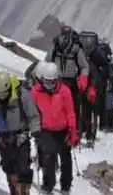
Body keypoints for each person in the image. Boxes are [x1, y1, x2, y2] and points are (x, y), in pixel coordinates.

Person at [0, 70, 42, 195]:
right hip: (2, 140)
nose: (0, 96)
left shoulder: (22, 96)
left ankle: (24, 191)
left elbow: (33, 115)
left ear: (8, 87)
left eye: (3, 93)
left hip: (21, 137)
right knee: (9, 167)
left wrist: (35, 129)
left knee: (23, 167)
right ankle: (14, 191)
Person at [30, 61, 77, 194]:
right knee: (48, 156)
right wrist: (33, 126)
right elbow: (31, 111)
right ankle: (48, 184)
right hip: (46, 130)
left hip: (63, 129)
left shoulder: (64, 91)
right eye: (46, 81)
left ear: (57, 80)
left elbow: (70, 112)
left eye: (52, 82)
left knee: (65, 157)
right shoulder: (36, 91)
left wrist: (72, 129)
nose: (49, 85)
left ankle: (66, 185)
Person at [45, 25, 89, 136]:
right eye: (63, 35)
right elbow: (47, 62)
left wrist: (83, 78)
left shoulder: (76, 49)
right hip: (56, 81)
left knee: (73, 107)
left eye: (66, 36)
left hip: (71, 82)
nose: (64, 38)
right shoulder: (54, 46)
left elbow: (84, 66)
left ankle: (75, 131)